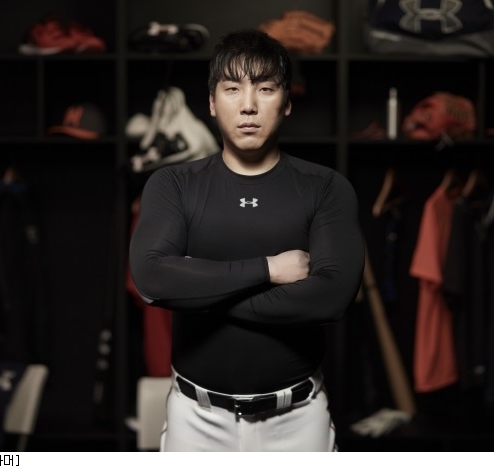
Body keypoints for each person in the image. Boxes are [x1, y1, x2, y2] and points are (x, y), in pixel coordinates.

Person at [129, 29, 364, 452]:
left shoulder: (326, 187)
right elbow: (151, 277)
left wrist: (199, 293)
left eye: (266, 88)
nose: (249, 105)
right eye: (233, 88)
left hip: (298, 420)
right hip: (195, 420)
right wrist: (269, 269)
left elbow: (331, 298)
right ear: (212, 102)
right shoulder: (173, 184)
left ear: (286, 102)